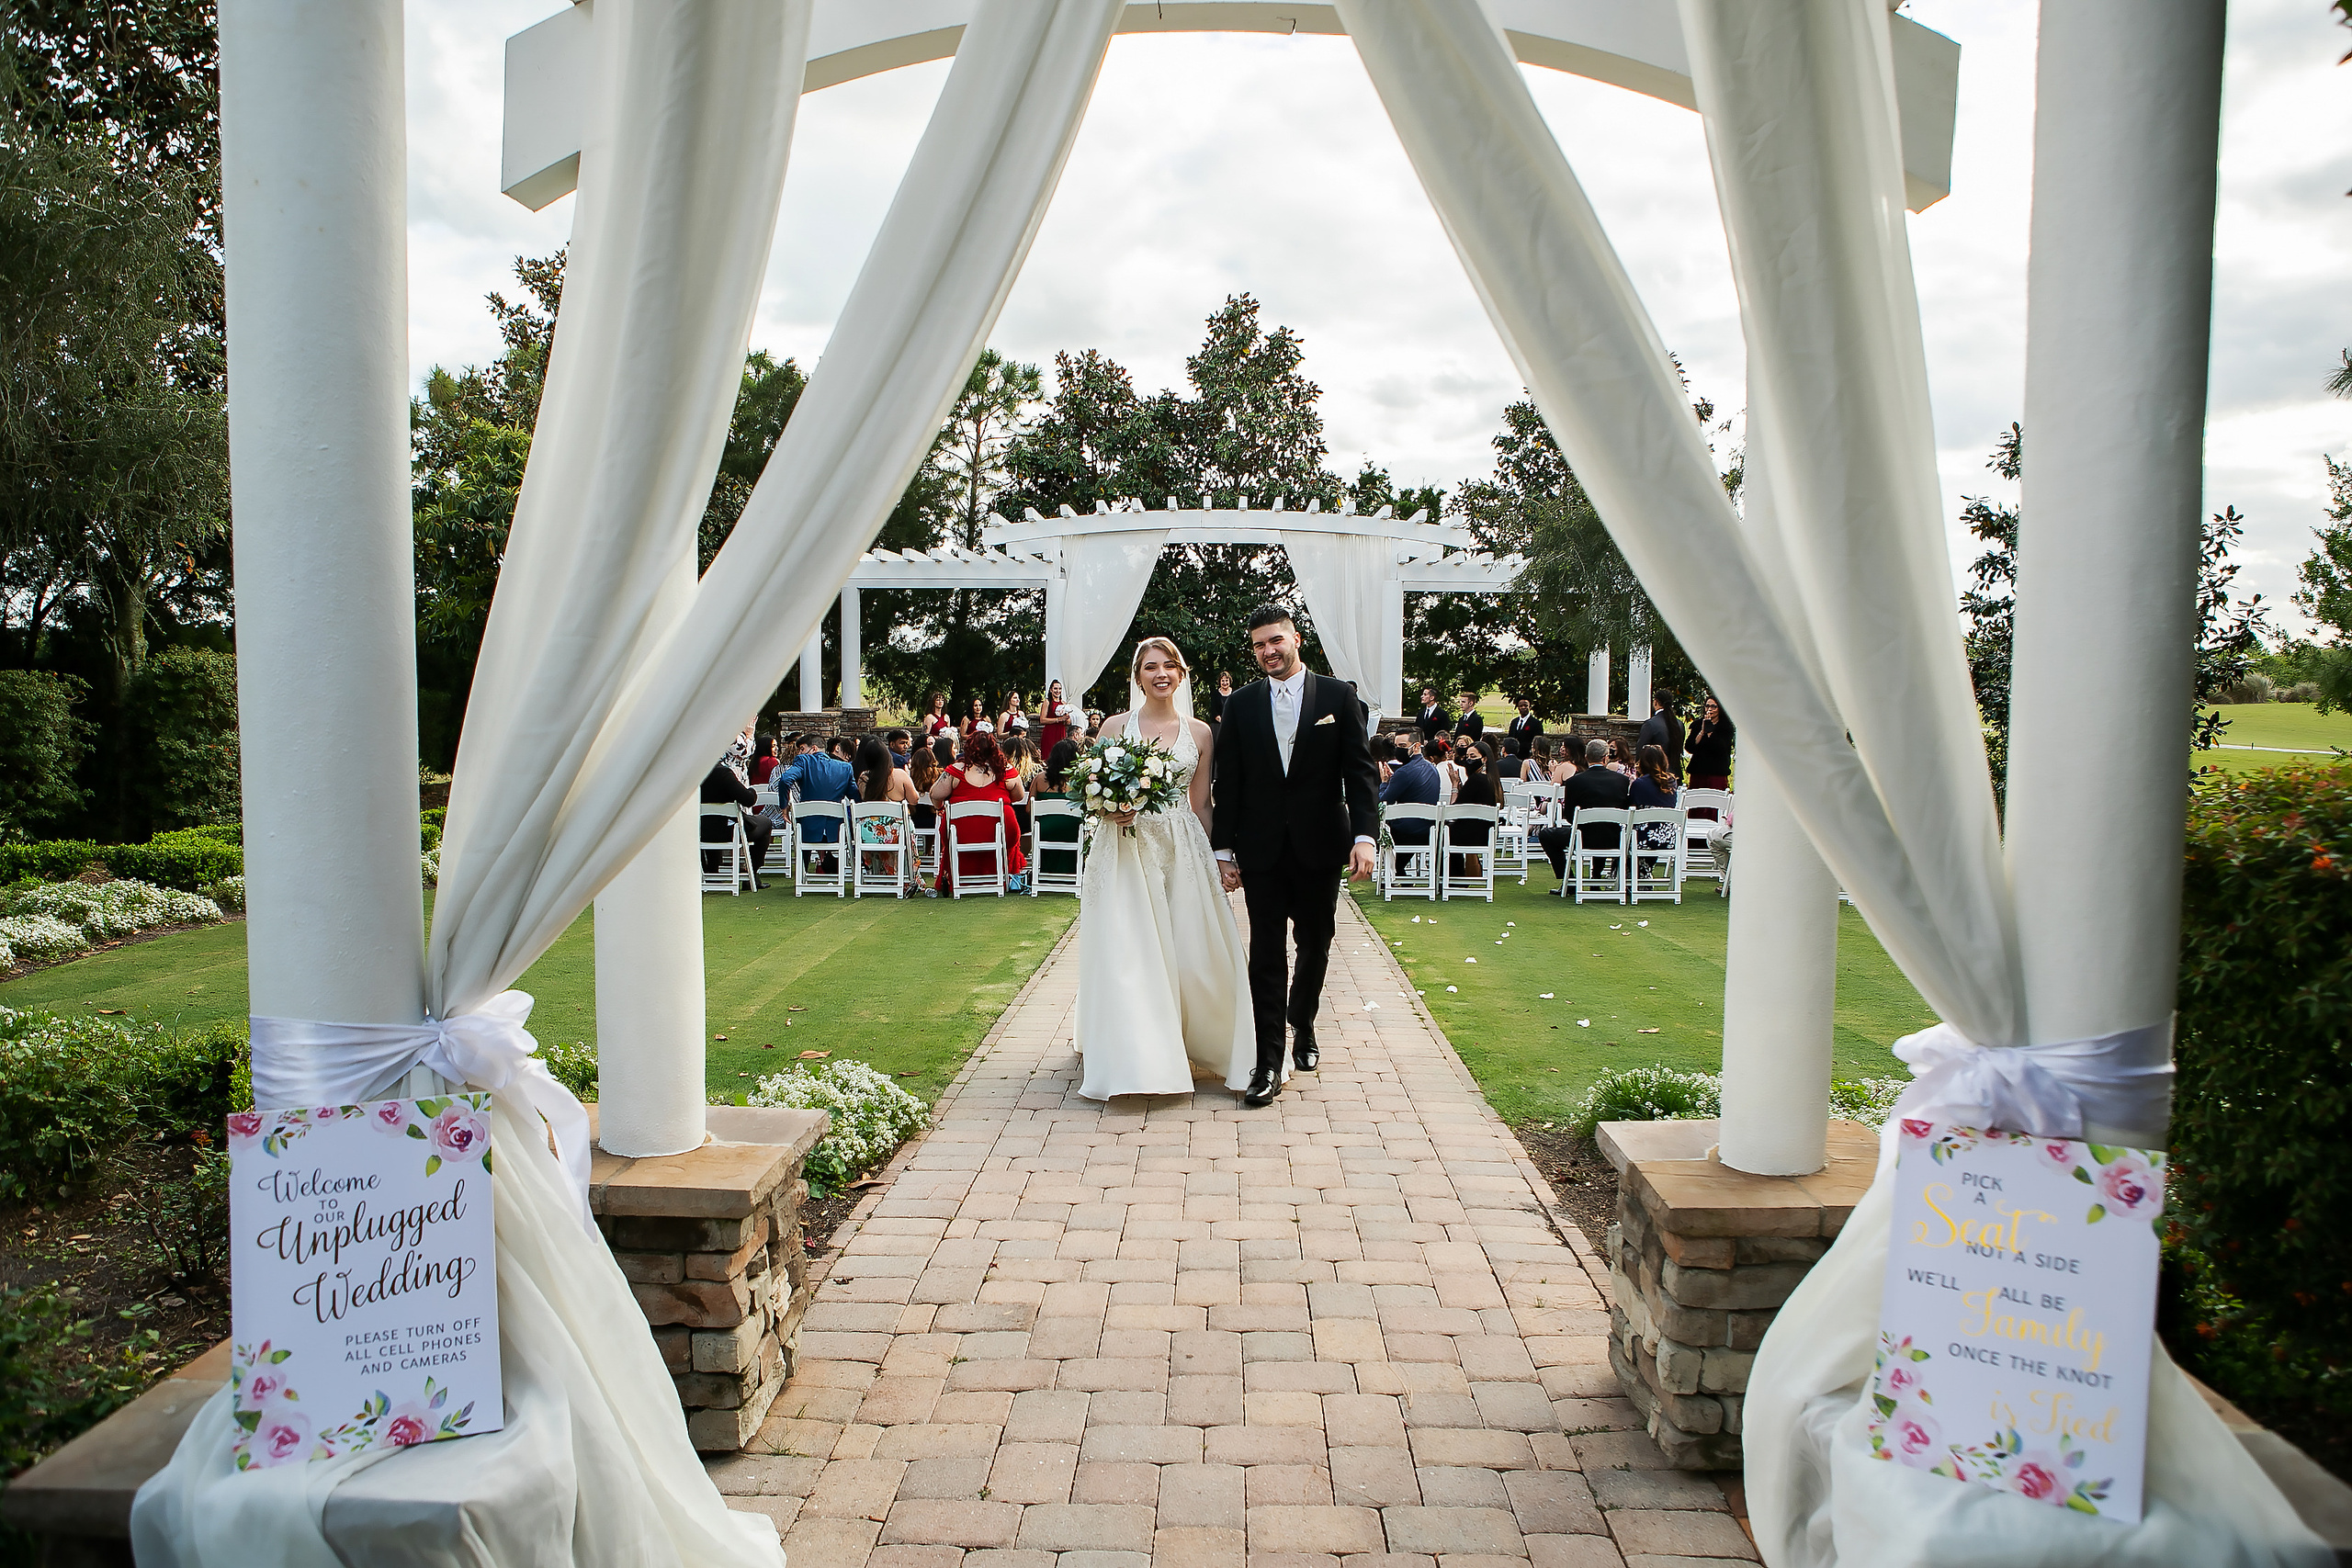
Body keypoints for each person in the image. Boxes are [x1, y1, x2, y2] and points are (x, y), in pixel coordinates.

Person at [1211, 605, 1379, 1109]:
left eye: (1276, 640)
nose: (1269, 651)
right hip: (1261, 848)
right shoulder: (1239, 705)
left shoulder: (1337, 696)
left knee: (1316, 942)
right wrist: (1224, 849)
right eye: (1260, 644)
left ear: (1296, 638)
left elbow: (1361, 773)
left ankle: (1302, 1019)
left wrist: (1365, 837)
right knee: (1265, 952)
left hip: (1321, 844)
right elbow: (1230, 781)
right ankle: (1268, 1063)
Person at [1072, 637, 1253, 1100]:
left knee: (1192, 953)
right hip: (1127, 847)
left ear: (1181, 673)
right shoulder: (1114, 727)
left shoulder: (1200, 733)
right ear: (1138, 677)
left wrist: (1223, 855)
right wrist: (1109, 809)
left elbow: (1201, 803)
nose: (1161, 674)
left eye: (1169, 665)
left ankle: (1204, 1039)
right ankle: (1140, 1059)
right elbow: (1095, 792)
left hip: (1183, 847)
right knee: (1132, 951)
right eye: (1151, 667)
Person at [929, 729, 1027, 895]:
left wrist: (939, 808)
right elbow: (1019, 795)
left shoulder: (956, 770)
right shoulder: (1005, 769)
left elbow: (935, 794)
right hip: (999, 832)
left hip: (962, 833)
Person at [1538, 739, 1632, 886]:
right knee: (1601, 826)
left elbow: (1570, 816)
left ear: (1587, 757)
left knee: (1546, 835)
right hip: (1615, 837)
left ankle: (1568, 879)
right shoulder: (1621, 780)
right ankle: (1595, 876)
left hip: (1583, 837)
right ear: (1605, 757)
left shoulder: (1576, 781)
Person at [776, 731, 857, 873]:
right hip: (836, 829)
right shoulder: (845, 768)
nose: (799, 753)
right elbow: (855, 796)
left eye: (802, 749)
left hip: (808, 827)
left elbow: (785, 780)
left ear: (813, 749)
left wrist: (784, 806)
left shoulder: (803, 761)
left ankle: (803, 873)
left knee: (803, 828)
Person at [853, 736, 922, 891]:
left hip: (868, 833)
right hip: (896, 833)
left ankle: (879, 875)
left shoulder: (864, 777)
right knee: (906, 825)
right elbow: (914, 799)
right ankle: (908, 877)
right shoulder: (900, 774)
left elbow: (864, 800)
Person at [700, 751, 771, 883]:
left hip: (701, 832)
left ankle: (712, 872)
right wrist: (751, 790)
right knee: (765, 822)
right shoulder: (723, 774)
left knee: (712, 822)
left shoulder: (694, 775)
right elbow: (748, 800)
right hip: (730, 832)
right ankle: (752, 873)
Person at [1378, 737, 1445, 875]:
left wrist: (1384, 783)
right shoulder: (1432, 769)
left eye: (1403, 745)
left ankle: (1393, 871)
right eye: (1396, 745)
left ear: (1416, 746)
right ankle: (1398, 870)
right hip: (1429, 831)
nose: (1398, 749)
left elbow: (1383, 803)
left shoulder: (1404, 772)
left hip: (1405, 832)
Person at [1449, 750, 1499, 878]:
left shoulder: (1477, 780)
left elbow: (1454, 810)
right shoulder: (1491, 779)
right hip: (1487, 831)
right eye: (1467, 756)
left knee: (1443, 830)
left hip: (1473, 834)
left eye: (1473, 756)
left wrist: (1454, 786)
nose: (1468, 760)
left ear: (1484, 759)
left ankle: (1455, 876)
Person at [1629, 743, 1680, 850]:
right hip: (1668, 837)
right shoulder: (1671, 782)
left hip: (1643, 838)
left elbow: (1631, 807)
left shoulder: (1639, 784)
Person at [1686, 695, 1735, 792]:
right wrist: (1702, 732)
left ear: (1719, 708)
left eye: (1714, 707)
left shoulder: (1726, 727)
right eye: (1707, 706)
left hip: (1716, 773)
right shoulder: (1697, 725)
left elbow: (1721, 748)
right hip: (1698, 772)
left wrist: (1710, 731)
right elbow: (1689, 747)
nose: (1710, 709)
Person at [1636, 689, 1686, 781]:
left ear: (1656, 702)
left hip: (1654, 775)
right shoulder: (1679, 724)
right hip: (1675, 774)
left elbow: (1641, 751)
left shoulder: (1650, 724)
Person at [1038, 680, 1075, 758]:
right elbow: (1042, 720)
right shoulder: (1047, 702)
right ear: (1051, 690)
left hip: (1061, 731)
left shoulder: (1064, 703)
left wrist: (1067, 719)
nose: (1058, 691)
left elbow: (1067, 722)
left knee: (1061, 754)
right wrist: (1058, 719)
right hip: (1050, 732)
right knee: (1049, 754)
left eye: (1060, 689)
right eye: (1055, 689)